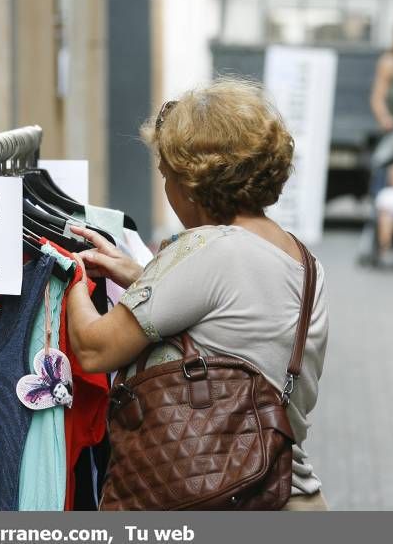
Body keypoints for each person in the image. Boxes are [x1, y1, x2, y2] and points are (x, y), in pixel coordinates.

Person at [66, 79, 329, 511]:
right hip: (290, 496)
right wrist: (142, 277)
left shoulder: (206, 248)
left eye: (167, 176)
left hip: (209, 498)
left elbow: (94, 349)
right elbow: (232, 319)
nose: (168, 190)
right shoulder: (303, 259)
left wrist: (69, 274)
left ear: (191, 183)